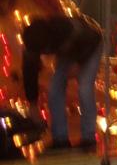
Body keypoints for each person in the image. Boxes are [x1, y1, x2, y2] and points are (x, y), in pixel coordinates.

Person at [21, 13, 103, 151]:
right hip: (68, 50)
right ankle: (60, 138)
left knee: (84, 88)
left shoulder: (65, 28)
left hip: (91, 45)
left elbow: (93, 39)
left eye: (45, 50)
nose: (44, 54)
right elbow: (29, 72)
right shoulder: (31, 46)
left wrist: (79, 63)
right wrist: (33, 103)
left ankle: (88, 137)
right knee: (54, 89)